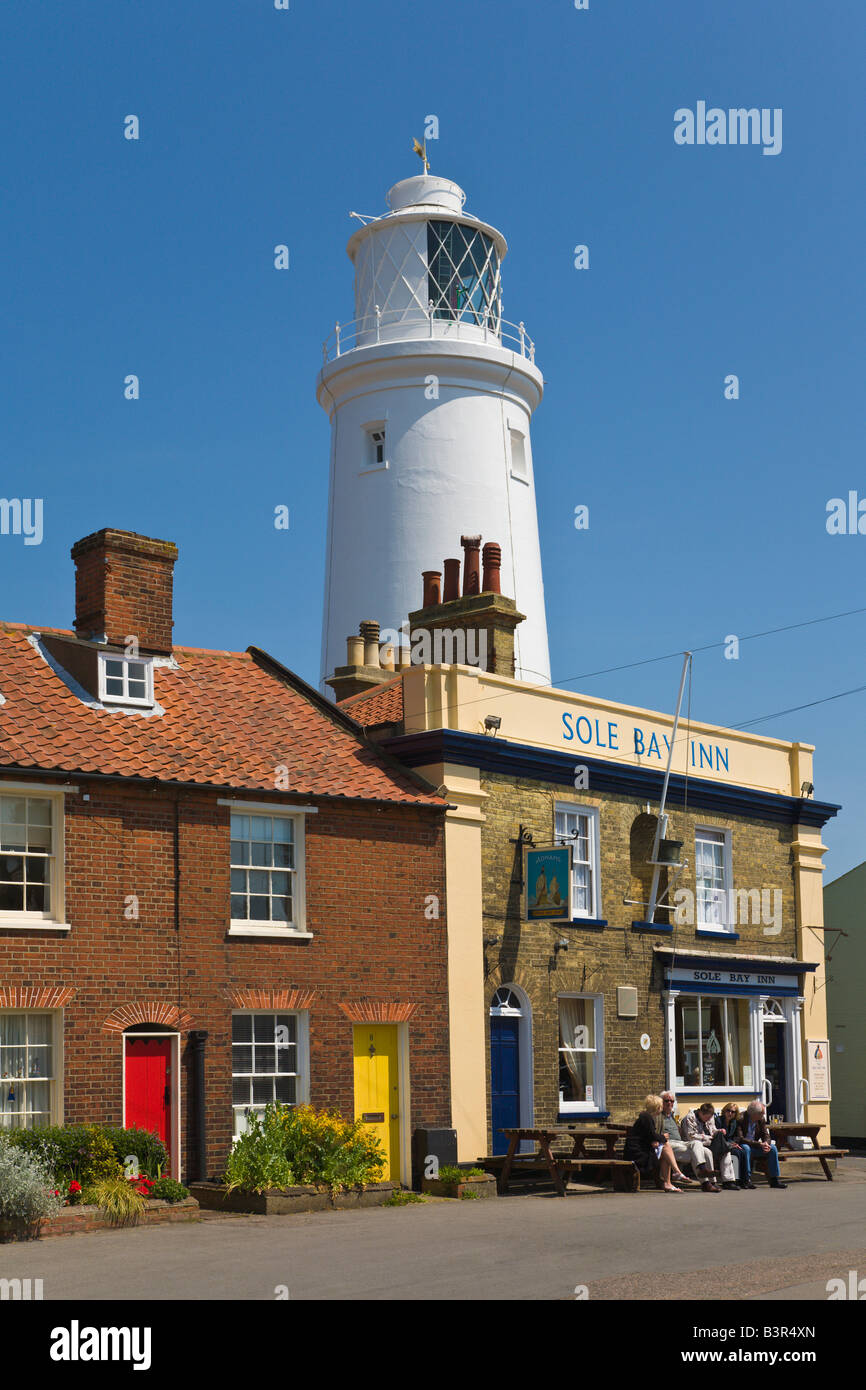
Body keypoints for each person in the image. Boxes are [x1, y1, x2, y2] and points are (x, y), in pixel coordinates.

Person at [624, 1094, 690, 1192]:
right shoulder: (646, 1118)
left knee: (665, 1150)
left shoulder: (646, 1117)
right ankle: (676, 1173)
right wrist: (663, 1137)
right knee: (666, 1146)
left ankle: (670, 1180)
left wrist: (657, 1140)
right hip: (637, 1153)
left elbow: (648, 1136)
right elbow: (652, 1135)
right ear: (658, 1107)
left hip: (640, 1149)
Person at [680, 1102, 737, 1190]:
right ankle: (713, 1181)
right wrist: (709, 1138)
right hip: (695, 1145)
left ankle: (729, 1181)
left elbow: (712, 1130)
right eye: (706, 1117)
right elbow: (691, 1137)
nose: (708, 1120)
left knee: (726, 1151)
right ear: (700, 1113)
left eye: (710, 1118)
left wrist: (718, 1131)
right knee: (719, 1150)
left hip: (709, 1143)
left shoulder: (710, 1117)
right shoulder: (690, 1118)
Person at [737, 1100, 787, 1189]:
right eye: (762, 1113)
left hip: (756, 1146)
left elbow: (766, 1135)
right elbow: (740, 1139)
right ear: (754, 1114)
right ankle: (747, 1179)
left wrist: (766, 1144)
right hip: (744, 1146)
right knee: (746, 1148)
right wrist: (759, 1144)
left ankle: (774, 1179)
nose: (763, 1115)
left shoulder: (761, 1120)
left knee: (773, 1148)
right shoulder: (740, 1119)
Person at [658, 1092, 704, 1188]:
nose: (669, 1103)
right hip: (669, 1144)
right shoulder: (658, 1115)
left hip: (681, 1143)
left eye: (672, 1101)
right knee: (696, 1153)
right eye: (667, 1101)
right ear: (661, 1102)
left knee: (703, 1149)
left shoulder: (672, 1115)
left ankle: (710, 1181)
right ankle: (705, 1183)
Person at [714, 1102, 755, 1189]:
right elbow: (717, 1136)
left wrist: (734, 1143)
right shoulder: (718, 1120)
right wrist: (731, 1144)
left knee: (742, 1151)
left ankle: (744, 1180)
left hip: (730, 1143)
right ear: (724, 1111)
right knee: (736, 1152)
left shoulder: (734, 1123)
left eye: (733, 1112)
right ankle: (735, 1179)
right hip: (721, 1144)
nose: (730, 1113)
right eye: (728, 1111)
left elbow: (737, 1136)